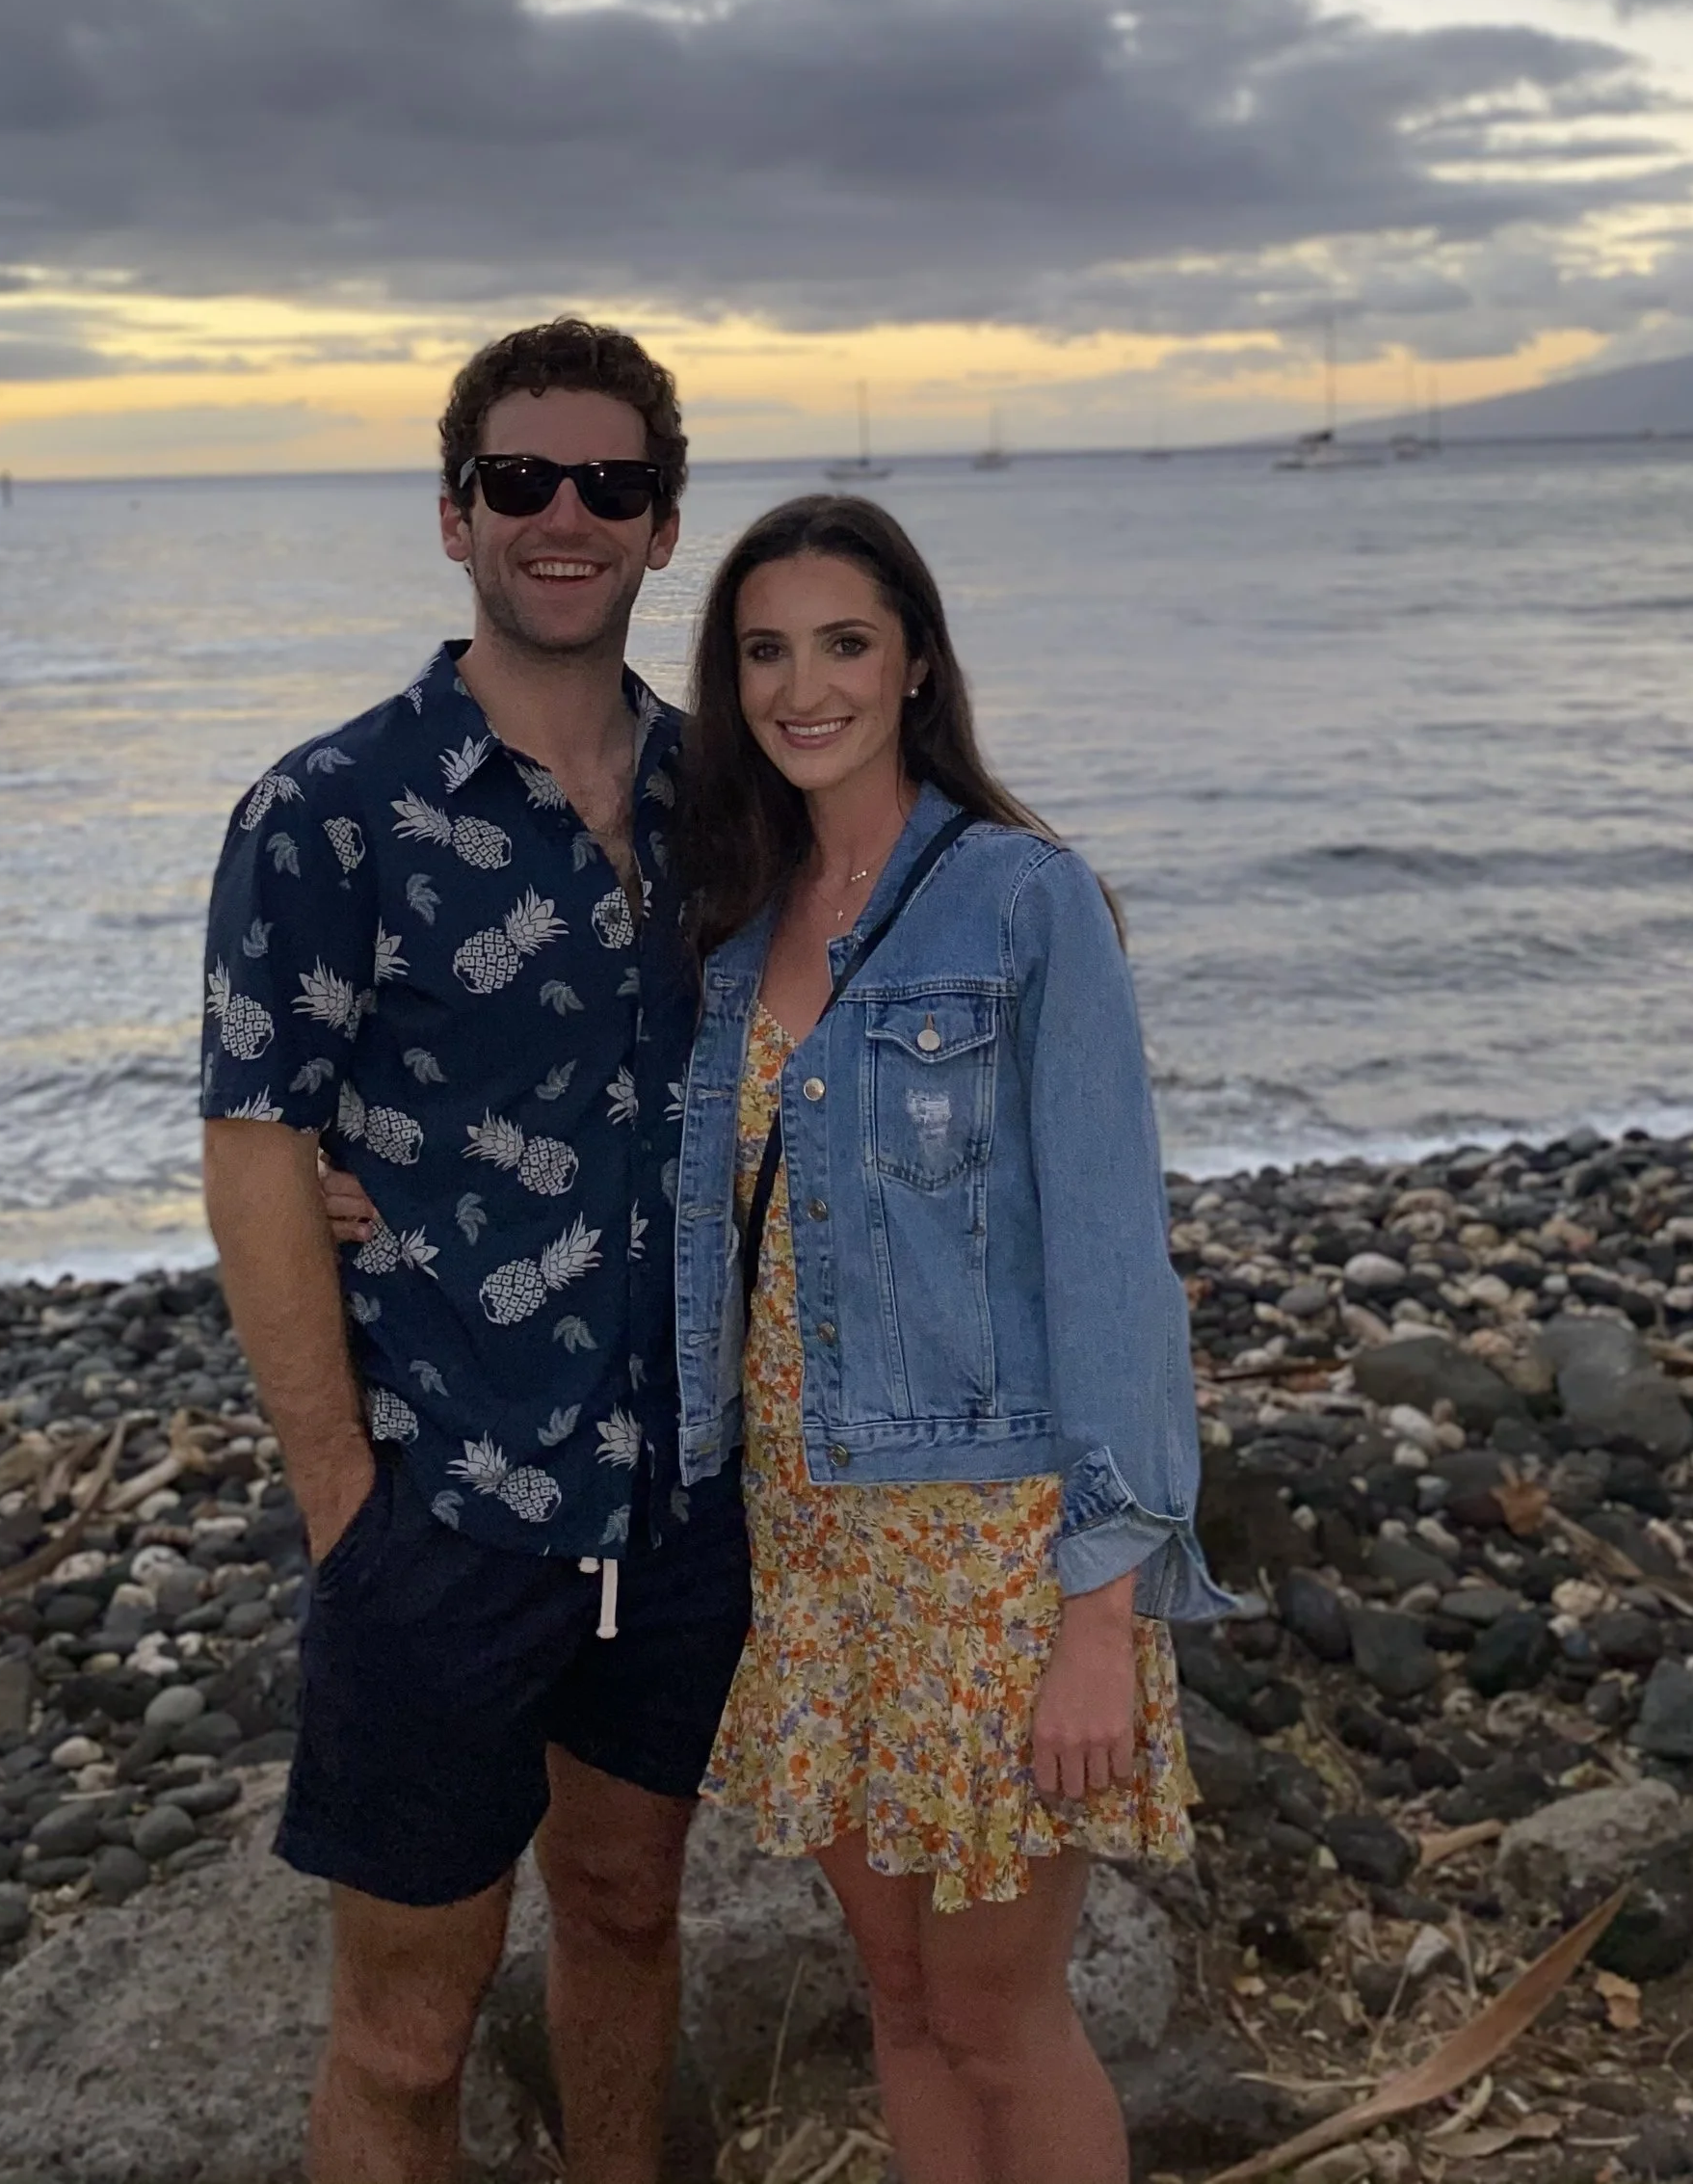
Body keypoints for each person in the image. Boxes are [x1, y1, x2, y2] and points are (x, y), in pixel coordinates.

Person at [199, 317, 750, 2184]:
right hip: (439, 1499)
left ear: (663, 521)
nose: (563, 515)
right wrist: (342, 1502)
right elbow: (255, 1146)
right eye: (521, 480)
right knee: (407, 2031)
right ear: (456, 516)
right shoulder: (327, 811)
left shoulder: (726, 802)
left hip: (679, 1495)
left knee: (629, 1910)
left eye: (610, 482)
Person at [668, 493, 1230, 2184]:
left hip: (992, 1556)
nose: (805, 688)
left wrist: (1101, 1612)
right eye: (766, 652)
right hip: (809, 1548)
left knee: (998, 2015)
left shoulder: (1024, 903)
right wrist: (360, 1186)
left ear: (916, 662)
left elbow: (1117, 1263)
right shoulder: (727, 925)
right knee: (903, 2005)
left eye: (845, 643)